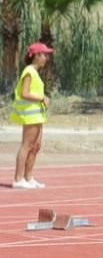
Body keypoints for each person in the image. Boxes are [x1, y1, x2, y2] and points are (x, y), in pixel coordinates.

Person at [11, 42, 54, 189]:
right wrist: (41, 98)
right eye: (44, 55)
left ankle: (28, 178)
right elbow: (25, 93)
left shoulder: (35, 72)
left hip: (37, 114)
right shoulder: (29, 71)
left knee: (36, 146)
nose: (46, 58)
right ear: (36, 56)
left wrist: (43, 98)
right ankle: (18, 179)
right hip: (30, 115)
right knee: (27, 145)